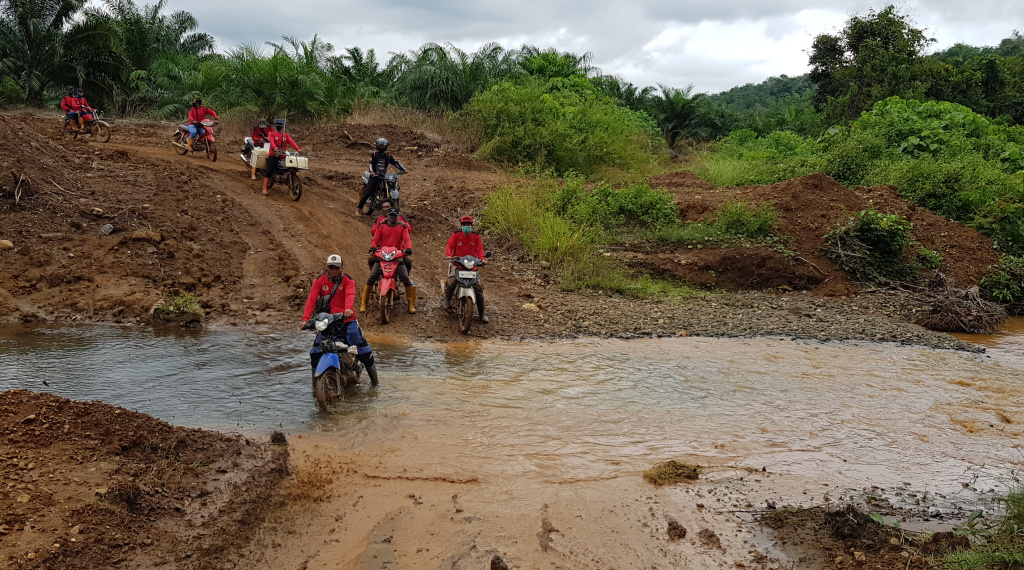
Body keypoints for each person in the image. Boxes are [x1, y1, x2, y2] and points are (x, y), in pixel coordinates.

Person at [301, 254, 379, 387]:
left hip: (348, 321)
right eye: (331, 268)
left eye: (337, 268)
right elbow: (311, 300)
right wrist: (305, 319)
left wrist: (348, 309)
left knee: (364, 351)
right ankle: (314, 388)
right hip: (328, 322)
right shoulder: (320, 280)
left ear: (342, 268)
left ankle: (375, 384)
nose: (334, 271)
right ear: (327, 268)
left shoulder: (349, 280)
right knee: (315, 352)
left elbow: (350, 295)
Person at [363, 209, 416, 314]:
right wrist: (373, 247)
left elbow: (407, 239)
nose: (393, 218)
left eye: (395, 216)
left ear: (398, 216)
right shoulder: (381, 226)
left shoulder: (402, 227)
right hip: (383, 255)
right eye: (391, 215)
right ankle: (364, 302)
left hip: (397, 256)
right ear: (387, 216)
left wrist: (408, 248)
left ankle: (411, 304)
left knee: (405, 277)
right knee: (372, 276)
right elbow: (375, 239)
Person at [443, 215, 489, 324]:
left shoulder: (476, 237)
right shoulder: (456, 235)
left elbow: (480, 249)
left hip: (471, 265)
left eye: (468, 225)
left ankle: (482, 314)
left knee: (478, 288)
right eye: (464, 225)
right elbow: (449, 245)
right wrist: (449, 255)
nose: (466, 227)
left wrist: (482, 259)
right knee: (452, 280)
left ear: (471, 225)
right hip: (457, 264)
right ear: (461, 226)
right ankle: (447, 300)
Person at [357, 137, 406, 215]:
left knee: (391, 186)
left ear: (386, 146)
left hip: (383, 177)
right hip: (374, 176)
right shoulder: (373, 154)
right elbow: (370, 165)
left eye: (383, 146)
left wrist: (403, 169)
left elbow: (396, 162)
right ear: (377, 146)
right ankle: (359, 209)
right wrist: (372, 172)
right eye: (380, 146)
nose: (381, 148)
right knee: (368, 192)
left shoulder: (388, 156)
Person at [368, 198, 412, 271]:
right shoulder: (379, 219)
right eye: (383, 207)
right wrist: (380, 225)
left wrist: (404, 226)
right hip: (382, 249)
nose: (385, 209)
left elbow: (409, 232)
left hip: (398, 250)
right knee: (371, 259)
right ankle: (373, 277)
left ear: (392, 208)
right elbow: (373, 233)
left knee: (408, 262)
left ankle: (406, 279)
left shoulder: (401, 218)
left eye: (387, 207)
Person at [263, 118, 301, 196]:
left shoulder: (286, 135)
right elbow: (271, 142)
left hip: (283, 156)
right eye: (278, 124)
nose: (279, 126)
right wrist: (275, 148)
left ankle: (290, 184)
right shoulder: (271, 134)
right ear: (275, 125)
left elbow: (292, 142)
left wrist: (298, 149)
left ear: (282, 126)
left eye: (280, 124)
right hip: (273, 155)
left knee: (290, 168)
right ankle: (264, 188)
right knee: (269, 171)